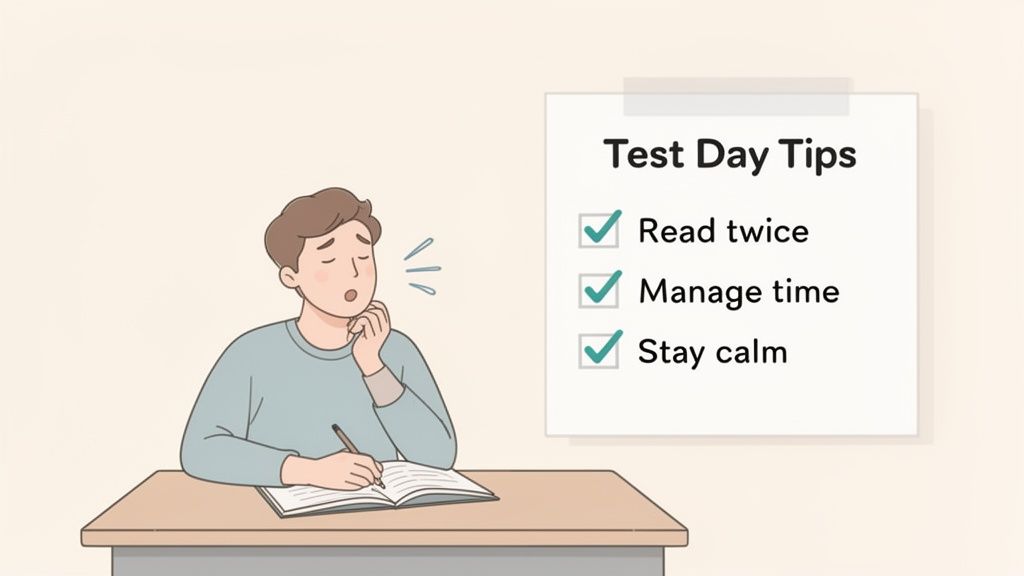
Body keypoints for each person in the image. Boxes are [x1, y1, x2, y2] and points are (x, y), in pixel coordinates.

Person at [180, 187, 456, 490]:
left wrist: (373, 368)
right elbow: (200, 450)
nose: (353, 272)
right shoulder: (251, 353)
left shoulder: (394, 349)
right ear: (291, 277)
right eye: (330, 260)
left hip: (375, 521)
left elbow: (439, 456)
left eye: (363, 256)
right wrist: (308, 472)